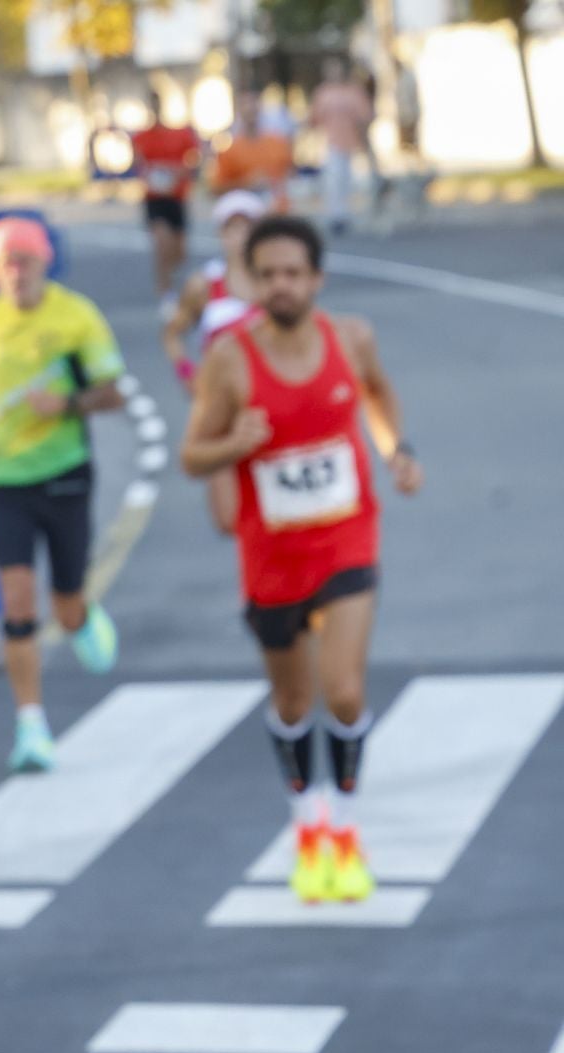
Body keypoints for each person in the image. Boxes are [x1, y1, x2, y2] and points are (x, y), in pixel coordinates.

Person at [180, 215, 422, 903]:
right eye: (270, 274)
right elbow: (192, 455)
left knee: (342, 689)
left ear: (316, 278)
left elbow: (377, 391)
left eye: (295, 272)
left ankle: (343, 829)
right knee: (292, 698)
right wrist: (234, 444)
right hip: (272, 554)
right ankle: (305, 826)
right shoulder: (229, 359)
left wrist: (395, 450)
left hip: (347, 537)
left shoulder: (352, 337)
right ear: (253, 282)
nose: (283, 285)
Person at [0, 217, 127, 773]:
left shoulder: (76, 316)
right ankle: (31, 726)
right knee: (17, 600)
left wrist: (64, 406)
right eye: (4, 264)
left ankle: (80, 615)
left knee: (63, 605)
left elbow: (111, 393)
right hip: (4, 477)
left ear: (45, 263)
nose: (16, 273)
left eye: (25, 261)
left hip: (64, 471)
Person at [162, 189, 268, 535]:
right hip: (220, 409)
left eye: (247, 227)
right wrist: (187, 373)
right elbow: (174, 332)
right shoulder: (205, 285)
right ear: (221, 234)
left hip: (267, 404)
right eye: (231, 228)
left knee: (273, 507)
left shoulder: (275, 282)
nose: (240, 237)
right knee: (229, 519)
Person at [128, 91, 202, 308]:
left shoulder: (179, 134)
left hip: (176, 197)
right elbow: (136, 163)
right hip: (155, 199)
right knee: (162, 243)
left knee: (179, 250)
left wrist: (181, 171)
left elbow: (195, 159)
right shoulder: (141, 136)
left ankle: (175, 279)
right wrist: (148, 170)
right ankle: (165, 291)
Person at [311, 58, 374, 235]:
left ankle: (347, 214)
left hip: (352, 142)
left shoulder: (353, 92)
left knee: (350, 181)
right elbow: (315, 118)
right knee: (334, 180)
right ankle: (336, 215)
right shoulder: (323, 93)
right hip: (331, 142)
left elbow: (364, 116)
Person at [213, 90, 295, 212]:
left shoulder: (278, 143)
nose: (250, 110)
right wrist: (246, 184)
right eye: (245, 106)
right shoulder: (230, 151)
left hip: (278, 211)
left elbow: (291, 175)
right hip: (247, 211)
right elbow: (217, 188)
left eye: (253, 106)